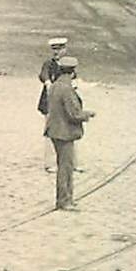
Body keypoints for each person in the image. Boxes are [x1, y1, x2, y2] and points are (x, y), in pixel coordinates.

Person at [45, 56, 93, 211]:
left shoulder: (54, 86)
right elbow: (74, 114)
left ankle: (66, 199)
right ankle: (64, 200)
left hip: (54, 130)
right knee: (66, 168)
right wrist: (88, 114)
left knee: (63, 165)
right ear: (72, 72)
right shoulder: (67, 89)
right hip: (64, 132)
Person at [39, 37, 69, 171]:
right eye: (54, 49)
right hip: (50, 102)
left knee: (69, 131)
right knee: (51, 132)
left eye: (60, 49)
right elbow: (43, 75)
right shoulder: (48, 64)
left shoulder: (68, 64)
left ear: (65, 49)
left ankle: (71, 162)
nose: (56, 52)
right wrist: (47, 83)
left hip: (65, 101)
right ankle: (50, 163)